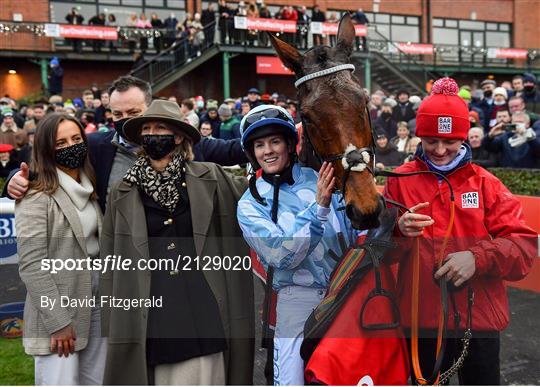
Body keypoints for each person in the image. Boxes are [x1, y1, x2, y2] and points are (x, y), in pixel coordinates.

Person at [384, 77, 536, 385]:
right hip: (420, 319)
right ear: (419, 137)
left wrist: (477, 258)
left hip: (477, 321)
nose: (440, 150)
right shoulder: (398, 180)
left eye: (450, 142)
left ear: (464, 138)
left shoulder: (485, 183)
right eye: (430, 141)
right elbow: (379, 250)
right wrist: (396, 230)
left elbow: (523, 247)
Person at [99, 99, 254, 384]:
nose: (152, 133)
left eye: (160, 127)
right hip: (153, 308)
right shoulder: (123, 191)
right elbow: (110, 259)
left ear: (179, 136)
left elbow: (259, 190)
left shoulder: (212, 177)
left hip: (204, 305)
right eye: (146, 128)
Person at [237, 105, 362, 385]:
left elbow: (357, 232)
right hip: (297, 301)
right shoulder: (249, 205)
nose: (267, 151)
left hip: (345, 298)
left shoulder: (321, 177)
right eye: (259, 145)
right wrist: (318, 208)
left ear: (291, 144)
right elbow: (281, 256)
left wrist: (395, 224)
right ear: (251, 152)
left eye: (275, 141)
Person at [15, 113, 106, 385]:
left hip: (97, 302)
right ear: (46, 148)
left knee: (97, 381)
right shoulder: (35, 194)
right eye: (61, 142)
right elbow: (32, 265)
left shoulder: (89, 187)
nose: (71, 146)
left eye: (76, 139)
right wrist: (58, 321)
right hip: (58, 311)